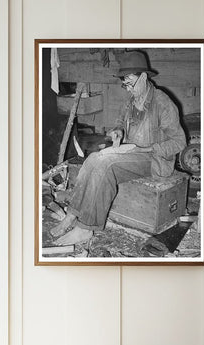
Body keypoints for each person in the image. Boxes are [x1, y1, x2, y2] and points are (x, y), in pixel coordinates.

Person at [51, 50, 186, 245]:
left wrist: (149, 149)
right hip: (131, 153)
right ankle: (72, 215)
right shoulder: (131, 101)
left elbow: (179, 142)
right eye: (124, 83)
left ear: (144, 77)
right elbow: (119, 122)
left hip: (154, 159)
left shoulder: (163, 102)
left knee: (106, 164)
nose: (128, 88)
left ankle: (85, 229)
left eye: (130, 82)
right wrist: (118, 132)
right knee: (93, 159)